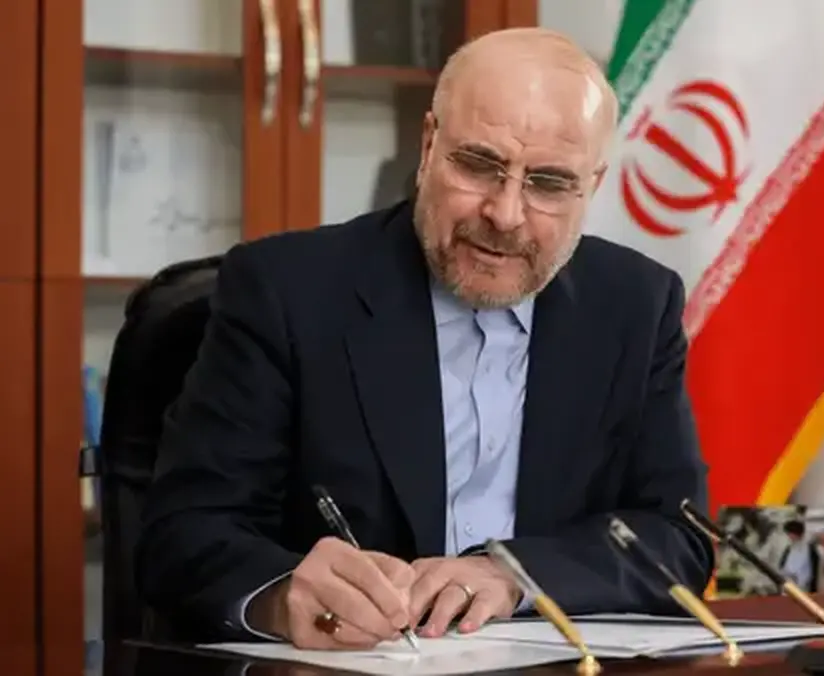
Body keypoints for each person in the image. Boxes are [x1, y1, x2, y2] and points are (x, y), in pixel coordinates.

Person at [134, 27, 713, 649]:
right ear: (429, 144)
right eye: (480, 165)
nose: (505, 214)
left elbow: (677, 539)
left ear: (591, 187)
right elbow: (183, 535)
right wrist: (281, 595)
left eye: (547, 183)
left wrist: (515, 575)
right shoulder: (286, 291)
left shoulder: (636, 305)